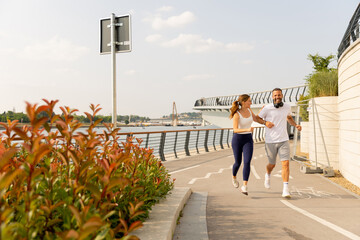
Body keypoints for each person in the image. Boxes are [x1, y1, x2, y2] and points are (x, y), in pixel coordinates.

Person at [257, 88, 302, 198]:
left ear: (282, 96)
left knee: (285, 164)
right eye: (275, 96)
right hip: (270, 141)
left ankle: (285, 189)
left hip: (283, 140)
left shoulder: (287, 107)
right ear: (272, 97)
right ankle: (268, 174)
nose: (277, 97)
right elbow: (257, 118)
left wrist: (295, 125)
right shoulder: (267, 108)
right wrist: (265, 122)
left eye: (279, 95)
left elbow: (289, 118)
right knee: (272, 164)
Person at [229, 94, 272, 195]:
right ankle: (234, 177)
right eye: (249, 101)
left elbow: (256, 119)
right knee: (238, 162)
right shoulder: (236, 114)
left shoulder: (250, 111)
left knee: (247, 162)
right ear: (243, 102)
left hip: (248, 139)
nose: (251, 103)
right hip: (237, 140)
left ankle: (244, 186)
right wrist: (247, 129)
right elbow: (235, 130)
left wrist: (262, 112)